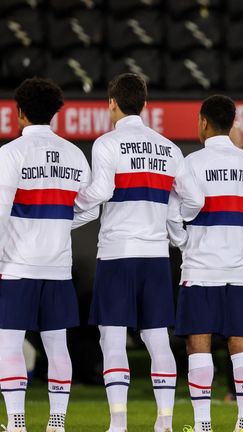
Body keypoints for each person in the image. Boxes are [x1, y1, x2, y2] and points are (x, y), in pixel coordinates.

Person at [74, 73, 185, 432]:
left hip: (118, 252)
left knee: (113, 337)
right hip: (155, 254)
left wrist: (71, 201)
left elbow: (101, 191)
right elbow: (186, 202)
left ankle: (118, 424)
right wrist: (176, 234)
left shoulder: (107, 143)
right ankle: (165, 423)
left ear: (112, 103)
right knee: (157, 339)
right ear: (145, 104)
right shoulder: (169, 148)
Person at [167, 95, 243, 432]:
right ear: (232, 124)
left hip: (199, 269)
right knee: (240, 343)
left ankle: (203, 425)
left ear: (203, 122)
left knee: (198, 342)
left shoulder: (191, 163)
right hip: (238, 270)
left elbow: (172, 217)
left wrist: (184, 242)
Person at [0, 78, 98, 432]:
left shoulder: (10, 154)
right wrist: (56, 223)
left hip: (16, 265)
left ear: (20, 113)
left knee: (8, 343)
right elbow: (90, 211)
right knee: (57, 345)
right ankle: (56, 424)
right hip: (58, 266)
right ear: (55, 113)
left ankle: (17, 423)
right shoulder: (74, 154)